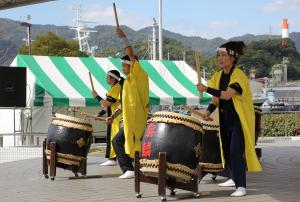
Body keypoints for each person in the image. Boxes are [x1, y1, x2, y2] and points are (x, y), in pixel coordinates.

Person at [197, 41, 262, 197]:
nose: (220, 58)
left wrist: (205, 88)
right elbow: (216, 99)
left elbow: (227, 94)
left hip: (238, 120)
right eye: (219, 55)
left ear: (233, 58)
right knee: (226, 151)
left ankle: (241, 186)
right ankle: (233, 178)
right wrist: (208, 111)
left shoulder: (238, 75)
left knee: (235, 151)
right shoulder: (218, 76)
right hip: (224, 119)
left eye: (224, 55)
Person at [106, 27, 149, 179]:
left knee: (121, 141)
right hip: (130, 119)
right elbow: (123, 105)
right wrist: (114, 116)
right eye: (123, 66)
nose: (123, 68)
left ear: (132, 64)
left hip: (137, 118)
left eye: (125, 65)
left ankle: (130, 169)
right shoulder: (128, 82)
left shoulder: (138, 74)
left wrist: (124, 38)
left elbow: (131, 54)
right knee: (123, 142)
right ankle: (132, 169)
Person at [92, 70, 123, 166]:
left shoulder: (116, 88)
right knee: (114, 138)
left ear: (112, 78)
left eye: (107, 77)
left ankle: (113, 159)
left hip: (117, 118)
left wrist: (96, 96)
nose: (106, 78)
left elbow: (106, 104)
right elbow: (108, 107)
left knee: (114, 139)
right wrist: (99, 114)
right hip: (114, 117)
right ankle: (113, 158)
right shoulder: (115, 88)